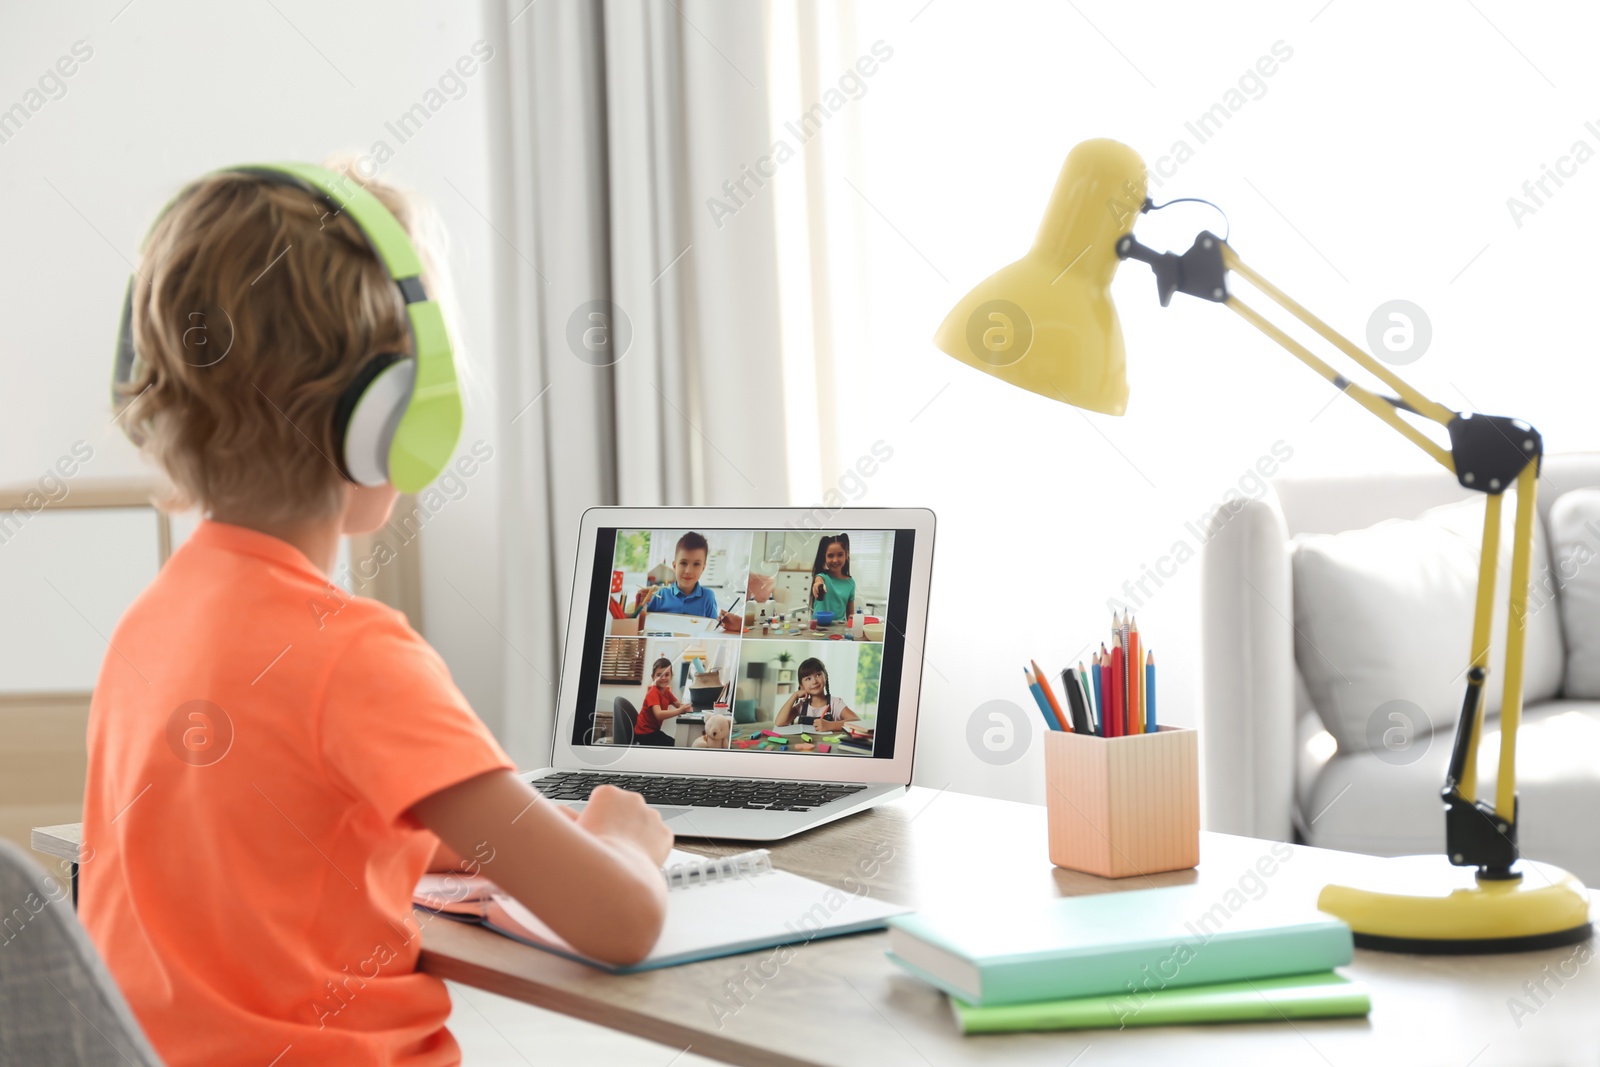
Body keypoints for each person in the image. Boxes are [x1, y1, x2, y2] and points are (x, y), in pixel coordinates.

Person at [81, 164, 672, 1066]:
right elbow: (621, 922)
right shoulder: (355, 655)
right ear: (389, 411)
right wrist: (625, 841)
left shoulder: (148, 625)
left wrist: (433, 835)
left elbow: (258, 833)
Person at [639, 531, 740, 632]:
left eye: (696, 564)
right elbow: (640, 622)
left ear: (703, 568)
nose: (688, 571)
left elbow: (712, 629)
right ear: (674, 566)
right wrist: (639, 603)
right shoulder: (660, 596)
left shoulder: (708, 597)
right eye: (683, 563)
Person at [775, 657, 859, 728]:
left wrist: (830, 725)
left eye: (818, 675)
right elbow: (779, 722)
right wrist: (794, 695)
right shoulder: (802, 706)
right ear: (802, 685)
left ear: (825, 677)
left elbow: (856, 721)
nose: (814, 681)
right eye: (808, 679)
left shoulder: (835, 703)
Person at [635, 656, 693, 746]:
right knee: (676, 745)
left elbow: (679, 705)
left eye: (667, 674)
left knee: (676, 743)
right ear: (653, 677)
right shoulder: (653, 693)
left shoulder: (666, 693)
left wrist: (687, 708)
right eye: (659, 675)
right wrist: (680, 711)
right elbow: (659, 714)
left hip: (653, 732)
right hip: (644, 734)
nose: (663, 678)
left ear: (671, 676)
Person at [809, 533, 856, 627]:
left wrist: (855, 619)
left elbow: (850, 615)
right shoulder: (822, 576)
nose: (835, 560)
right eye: (830, 556)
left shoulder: (851, 583)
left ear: (846, 555)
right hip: (818, 627)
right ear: (825, 557)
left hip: (839, 628)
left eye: (840, 555)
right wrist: (818, 585)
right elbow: (818, 581)